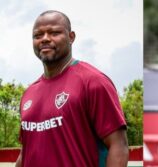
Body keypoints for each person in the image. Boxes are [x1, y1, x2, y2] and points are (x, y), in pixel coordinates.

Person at [15, 10, 128, 167]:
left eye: (54, 33)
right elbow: (26, 151)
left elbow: (118, 146)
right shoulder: (29, 94)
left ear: (71, 37)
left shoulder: (93, 81)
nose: (45, 39)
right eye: (38, 35)